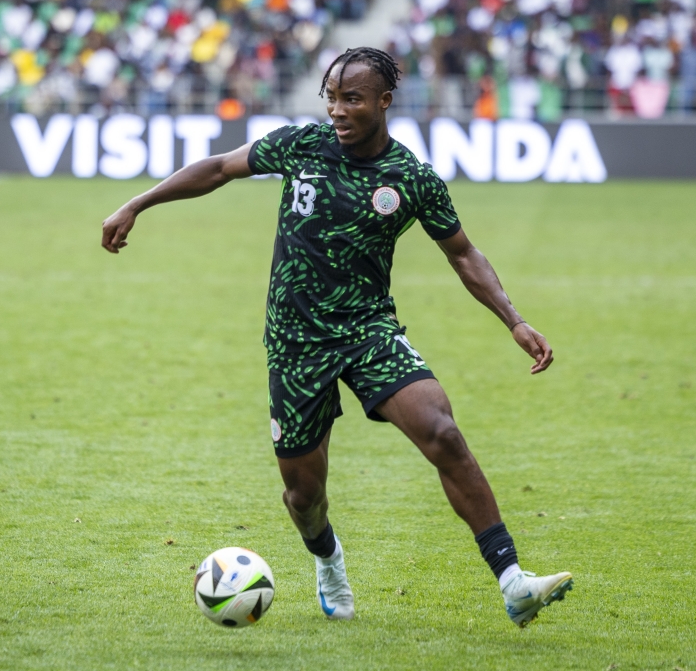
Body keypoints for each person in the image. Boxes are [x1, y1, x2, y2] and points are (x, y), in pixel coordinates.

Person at [100, 47, 573, 627]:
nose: (337, 110)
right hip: (295, 343)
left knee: (442, 432)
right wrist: (139, 202)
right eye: (331, 98)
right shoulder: (301, 146)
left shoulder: (411, 178)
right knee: (304, 495)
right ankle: (328, 559)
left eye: (351, 99)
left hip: (368, 331)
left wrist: (515, 319)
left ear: (383, 102)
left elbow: (463, 254)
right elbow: (221, 167)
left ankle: (512, 581)